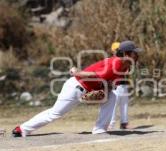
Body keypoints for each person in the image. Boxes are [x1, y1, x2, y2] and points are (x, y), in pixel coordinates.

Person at [12, 41, 142, 137]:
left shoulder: (125, 66)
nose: (136, 54)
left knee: (112, 96)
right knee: (54, 114)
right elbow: (94, 75)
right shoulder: (117, 63)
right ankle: (22, 129)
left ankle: (99, 129)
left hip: (86, 88)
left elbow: (110, 83)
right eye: (134, 52)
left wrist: (103, 91)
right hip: (76, 87)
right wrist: (78, 72)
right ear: (125, 53)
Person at [109, 42, 131, 130]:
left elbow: (127, 72)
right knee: (113, 105)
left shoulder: (125, 60)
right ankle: (110, 123)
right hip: (115, 85)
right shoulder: (112, 60)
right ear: (114, 51)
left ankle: (124, 123)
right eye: (118, 50)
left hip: (124, 84)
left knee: (124, 104)